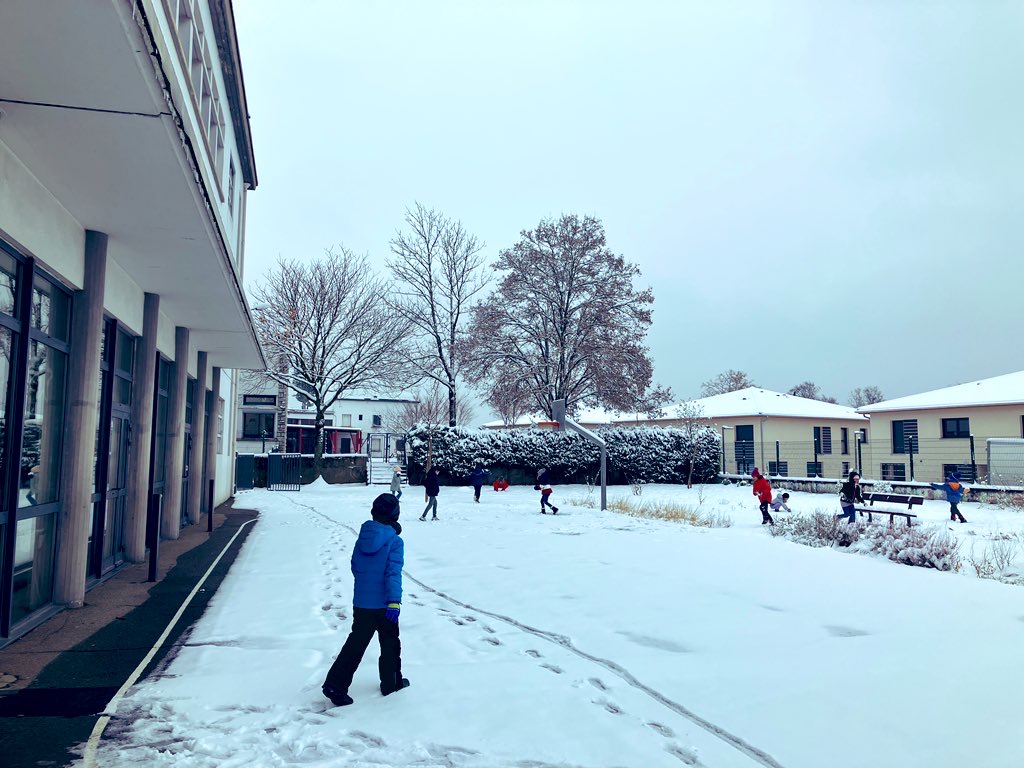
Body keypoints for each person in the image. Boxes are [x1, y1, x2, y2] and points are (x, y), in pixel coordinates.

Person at [322, 493, 409, 707]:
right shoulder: (395, 542)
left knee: (356, 643)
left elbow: (355, 566)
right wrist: (394, 602)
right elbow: (392, 573)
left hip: (362, 602)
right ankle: (391, 683)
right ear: (395, 516)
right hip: (384, 604)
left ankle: (335, 684)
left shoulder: (363, 537)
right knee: (390, 643)